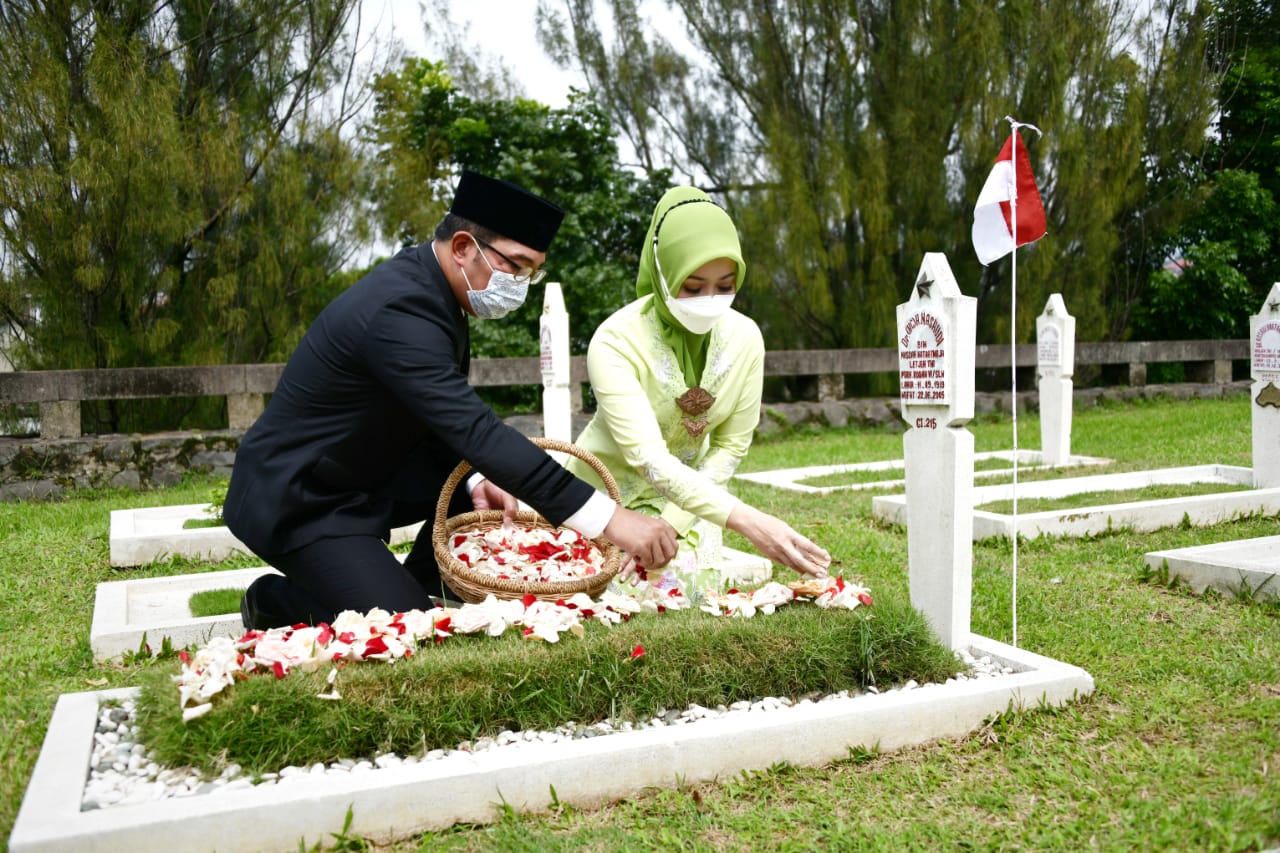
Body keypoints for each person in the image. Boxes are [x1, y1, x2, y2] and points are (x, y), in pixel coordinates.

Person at [224, 170, 678, 629]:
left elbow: (434, 418)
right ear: (463, 247)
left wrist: (476, 478)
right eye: (516, 266)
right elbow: (474, 428)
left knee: (474, 483)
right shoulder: (400, 308)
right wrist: (610, 519)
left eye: (532, 274)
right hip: (301, 497)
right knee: (413, 626)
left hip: (360, 474)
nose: (521, 284)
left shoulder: (436, 291)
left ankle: (405, 583)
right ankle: (275, 601)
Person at [564, 186, 831, 590]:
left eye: (725, 286)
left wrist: (671, 523)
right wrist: (750, 521)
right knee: (603, 613)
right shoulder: (616, 341)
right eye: (692, 287)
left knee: (690, 603)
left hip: (692, 503)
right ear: (663, 272)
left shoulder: (746, 339)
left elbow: (729, 447)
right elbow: (647, 457)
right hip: (602, 500)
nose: (710, 299)